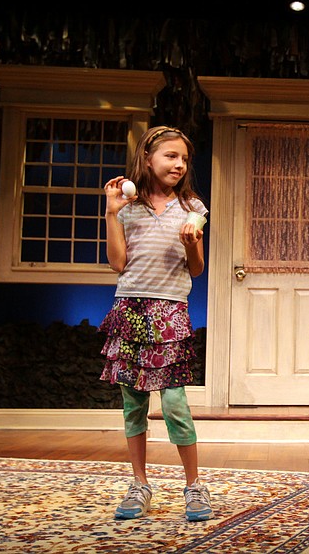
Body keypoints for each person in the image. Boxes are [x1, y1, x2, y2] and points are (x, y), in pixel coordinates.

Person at [99, 125, 213, 522]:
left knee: (175, 404)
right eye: (170, 156)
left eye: (184, 158)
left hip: (169, 312)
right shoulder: (127, 208)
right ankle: (139, 482)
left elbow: (196, 270)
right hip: (129, 308)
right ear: (148, 158)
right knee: (133, 404)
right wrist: (112, 213)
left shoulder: (194, 209)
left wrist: (191, 242)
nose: (179, 164)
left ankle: (194, 485)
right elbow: (117, 264)